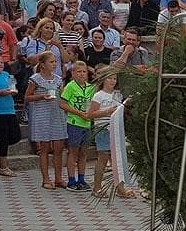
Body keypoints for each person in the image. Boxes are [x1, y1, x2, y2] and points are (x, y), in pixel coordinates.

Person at [25, 52, 68, 189]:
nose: (54, 64)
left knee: (58, 148)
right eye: (51, 62)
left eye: (55, 61)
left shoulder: (58, 79)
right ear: (42, 65)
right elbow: (27, 97)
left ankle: (59, 178)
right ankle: (45, 179)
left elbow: (62, 96)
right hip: (42, 116)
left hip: (57, 114)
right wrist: (41, 96)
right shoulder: (35, 79)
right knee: (44, 148)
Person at [89, 71, 131, 197]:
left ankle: (120, 188)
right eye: (109, 78)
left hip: (116, 128)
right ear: (103, 80)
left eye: (114, 79)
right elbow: (91, 114)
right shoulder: (98, 96)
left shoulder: (117, 95)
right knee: (103, 158)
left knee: (118, 158)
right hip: (103, 129)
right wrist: (108, 111)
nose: (112, 81)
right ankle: (97, 187)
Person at [60, 61, 97, 190]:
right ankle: (71, 180)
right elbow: (63, 104)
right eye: (79, 72)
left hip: (86, 123)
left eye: (84, 71)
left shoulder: (90, 88)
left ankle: (81, 179)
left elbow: (91, 104)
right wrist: (78, 113)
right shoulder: (70, 86)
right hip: (74, 123)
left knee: (84, 153)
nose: (82, 74)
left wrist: (90, 114)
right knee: (73, 152)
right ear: (73, 73)